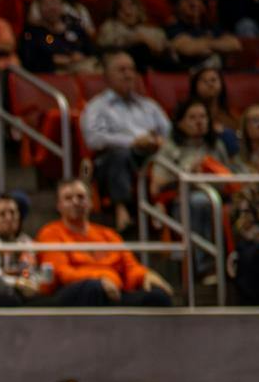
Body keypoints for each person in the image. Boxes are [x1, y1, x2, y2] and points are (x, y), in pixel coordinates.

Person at [36, 180, 173, 307]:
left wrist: (145, 276)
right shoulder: (50, 233)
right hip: (75, 293)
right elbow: (62, 273)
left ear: (90, 203)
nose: (75, 202)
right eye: (68, 198)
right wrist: (100, 279)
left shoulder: (108, 234)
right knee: (93, 289)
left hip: (114, 290)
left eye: (81, 197)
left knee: (158, 295)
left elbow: (130, 266)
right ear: (59, 206)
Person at [80, 53, 170, 228]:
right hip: (110, 160)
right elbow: (94, 139)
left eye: (131, 69)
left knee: (169, 155)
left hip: (150, 155)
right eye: (121, 70)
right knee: (119, 155)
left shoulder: (149, 105)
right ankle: (121, 210)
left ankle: (161, 205)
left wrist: (158, 141)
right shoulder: (96, 107)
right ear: (106, 76)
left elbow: (169, 132)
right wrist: (133, 141)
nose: (128, 74)